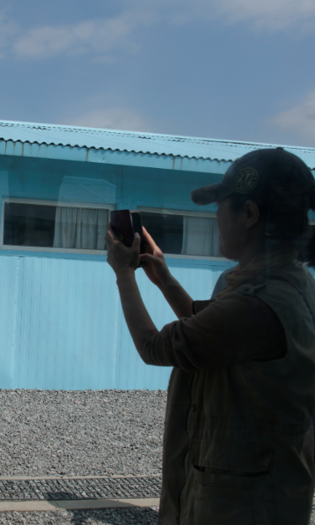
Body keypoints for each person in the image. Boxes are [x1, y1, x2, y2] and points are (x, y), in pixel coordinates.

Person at [105, 148, 315, 524]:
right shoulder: (290, 284)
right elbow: (210, 331)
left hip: (241, 505)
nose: (216, 215)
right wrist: (164, 279)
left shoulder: (258, 304)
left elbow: (154, 347)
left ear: (249, 214)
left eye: (221, 205)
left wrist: (124, 274)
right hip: (269, 492)